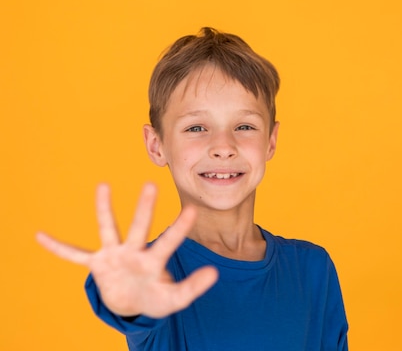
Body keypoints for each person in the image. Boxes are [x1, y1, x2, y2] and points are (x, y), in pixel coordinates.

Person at [36, 27, 349, 351]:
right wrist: (128, 300)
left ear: (270, 141)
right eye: (197, 127)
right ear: (156, 145)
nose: (223, 146)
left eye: (244, 126)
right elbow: (132, 303)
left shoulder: (313, 270)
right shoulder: (152, 271)